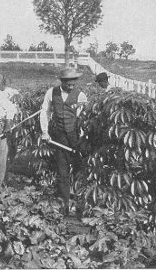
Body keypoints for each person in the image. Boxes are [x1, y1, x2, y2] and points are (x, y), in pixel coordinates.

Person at [40, 67, 88, 216]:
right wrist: (45, 132)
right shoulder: (52, 92)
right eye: (69, 84)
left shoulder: (81, 96)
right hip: (59, 137)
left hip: (76, 137)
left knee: (79, 171)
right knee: (63, 172)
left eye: (74, 83)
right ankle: (64, 207)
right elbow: (45, 111)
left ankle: (81, 207)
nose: (72, 86)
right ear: (63, 82)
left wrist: (81, 139)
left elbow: (83, 118)